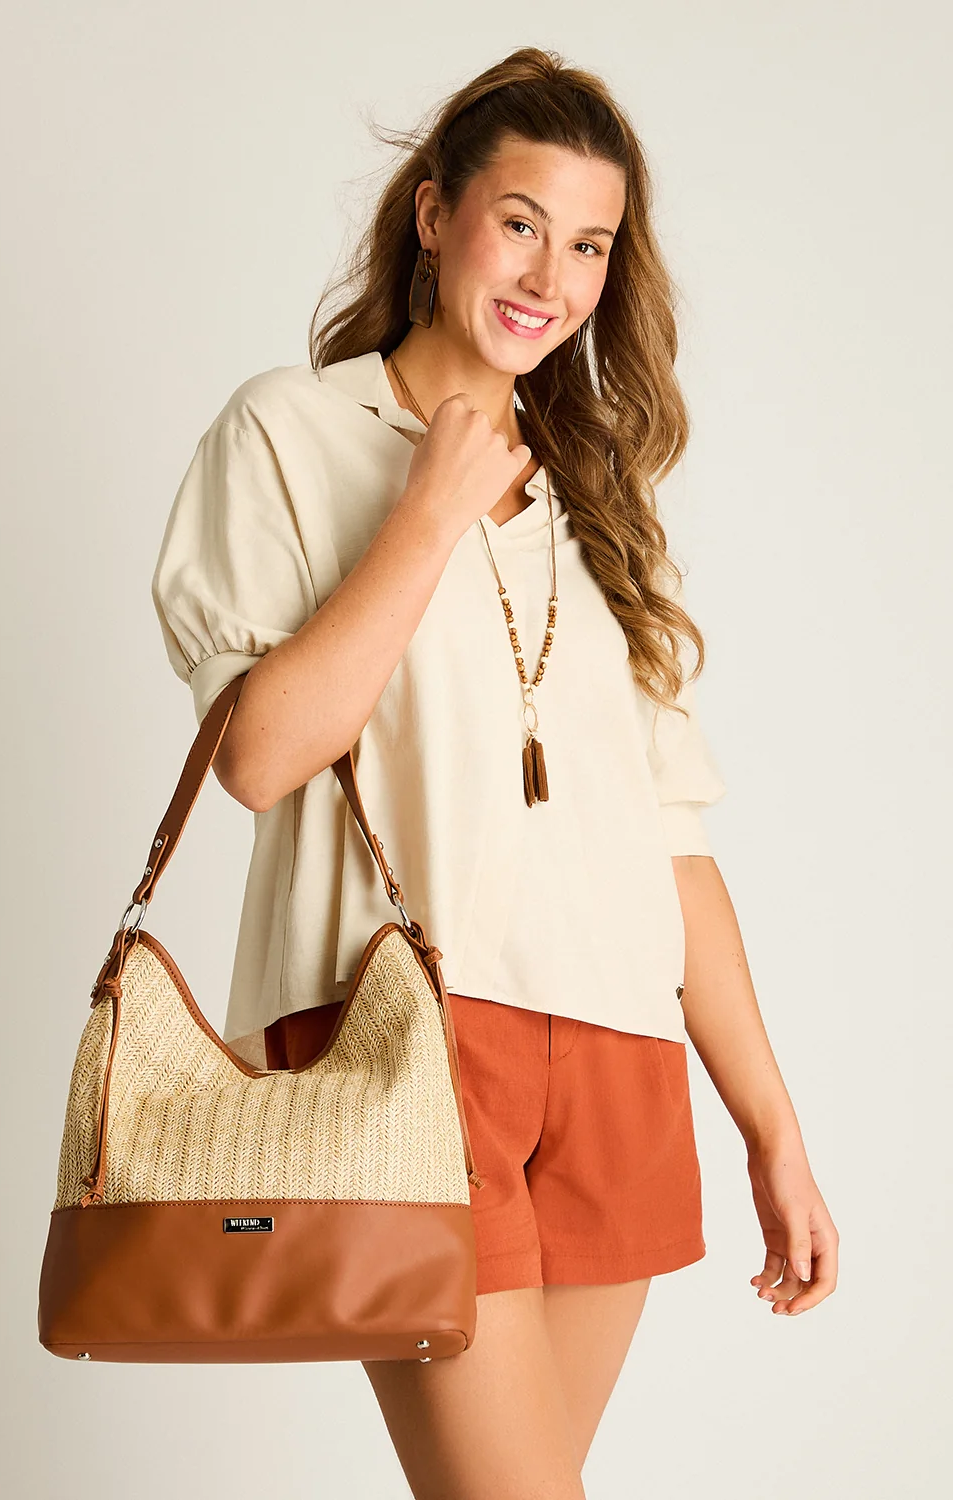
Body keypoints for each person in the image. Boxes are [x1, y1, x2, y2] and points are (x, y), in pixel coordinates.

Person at [150, 45, 838, 1500]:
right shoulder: (289, 429)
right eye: (520, 221)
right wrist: (427, 511)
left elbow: (673, 844)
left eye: (589, 244)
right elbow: (260, 757)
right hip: (405, 1037)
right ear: (434, 214)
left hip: (618, 1051)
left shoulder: (602, 502)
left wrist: (773, 1131)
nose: (550, 276)